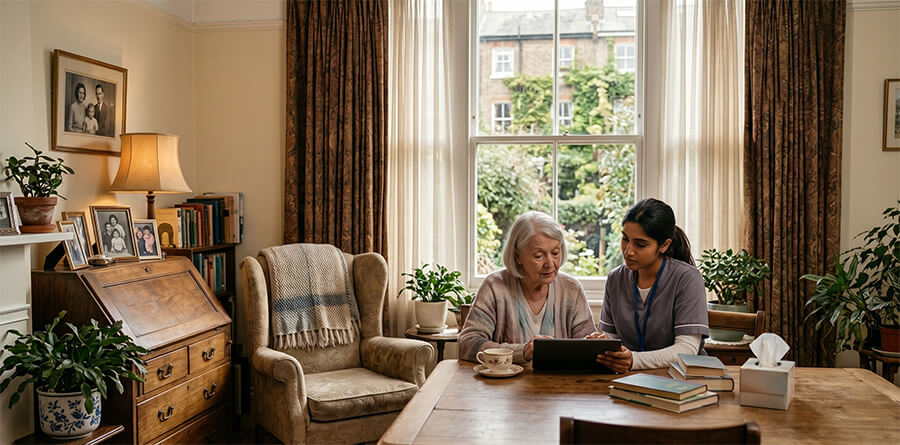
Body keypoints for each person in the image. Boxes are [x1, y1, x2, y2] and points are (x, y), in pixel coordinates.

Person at [459, 211, 596, 364]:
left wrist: (596, 344)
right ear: (517, 256)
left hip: (559, 386)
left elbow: (588, 348)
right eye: (539, 256)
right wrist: (522, 351)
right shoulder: (495, 287)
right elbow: (467, 344)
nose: (550, 263)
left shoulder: (572, 289)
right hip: (503, 386)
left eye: (555, 253)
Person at [588, 198, 708, 372]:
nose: (628, 251)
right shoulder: (615, 279)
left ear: (664, 245)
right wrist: (600, 343)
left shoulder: (687, 279)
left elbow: (686, 350)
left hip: (678, 380)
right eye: (625, 239)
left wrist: (634, 360)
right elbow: (611, 338)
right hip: (627, 380)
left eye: (640, 244)